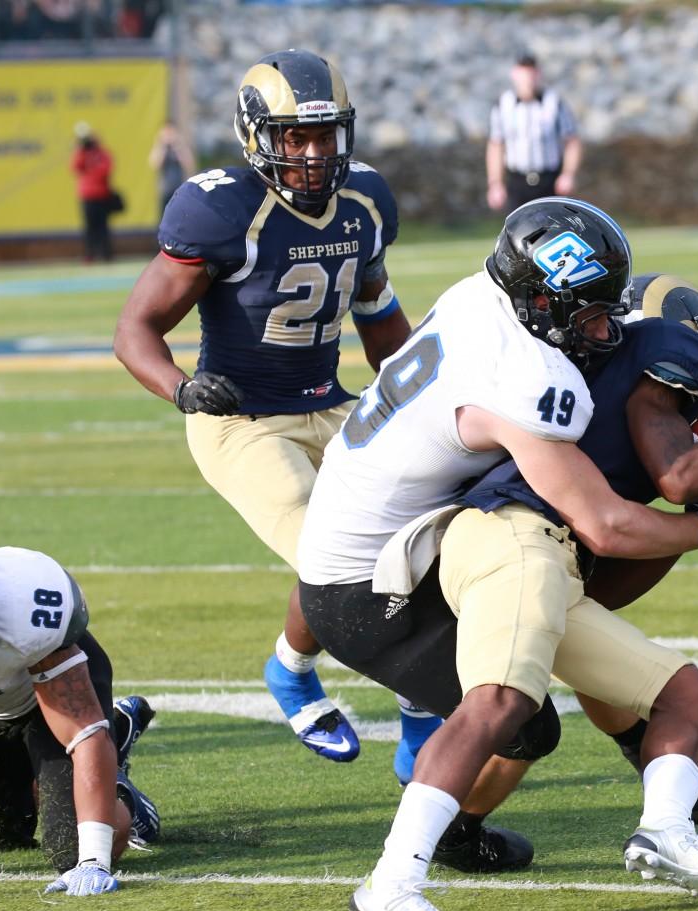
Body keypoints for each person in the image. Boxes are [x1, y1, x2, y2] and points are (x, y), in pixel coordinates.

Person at [297, 197, 698, 911]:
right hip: (433, 559)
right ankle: (392, 882)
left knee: (686, 698)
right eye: (591, 314)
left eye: (613, 316)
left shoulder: (480, 297)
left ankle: (666, 831)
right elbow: (605, 521)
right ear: (538, 300)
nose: (604, 332)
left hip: (407, 541)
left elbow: (597, 556)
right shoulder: (536, 377)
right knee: (503, 706)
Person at [113, 48, 440, 772]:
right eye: (297, 136)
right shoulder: (221, 209)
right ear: (259, 135)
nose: (315, 153)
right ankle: (395, 707)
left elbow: (380, 318)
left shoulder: (365, 201)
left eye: (326, 135)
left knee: (425, 536)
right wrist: (180, 388)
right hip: (241, 419)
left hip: (332, 405)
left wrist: (429, 405)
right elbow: (134, 330)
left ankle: (296, 667)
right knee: (346, 562)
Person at [398, 274, 698, 854]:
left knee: (676, 694)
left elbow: (605, 582)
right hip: (498, 544)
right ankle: (401, 867)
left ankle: (667, 804)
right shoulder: (604, 378)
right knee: (511, 714)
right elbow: (654, 496)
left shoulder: (573, 386)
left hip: (513, 545)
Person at [0, 546, 160, 895]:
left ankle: (122, 794)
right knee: (1, 836)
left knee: (73, 847)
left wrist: (94, 860)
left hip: (50, 704)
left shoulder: (25, 605)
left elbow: (84, 731)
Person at [486, 52, 582, 214]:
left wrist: (568, 174)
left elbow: (571, 141)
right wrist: (495, 183)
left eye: (531, 75)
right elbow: (496, 145)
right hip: (517, 179)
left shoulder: (554, 103)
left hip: (549, 178)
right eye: (523, 75)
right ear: (514, 75)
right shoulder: (503, 104)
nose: (527, 81)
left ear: (538, 75)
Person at [70, 122, 115, 262]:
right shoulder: (82, 153)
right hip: (87, 196)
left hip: (101, 194)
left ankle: (106, 254)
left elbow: (107, 169)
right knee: (89, 227)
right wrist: (80, 148)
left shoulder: (101, 153)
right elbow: (75, 167)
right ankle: (90, 254)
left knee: (103, 227)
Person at [148, 122, 197, 218]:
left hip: (179, 189)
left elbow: (189, 164)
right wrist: (161, 145)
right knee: (164, 218)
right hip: (164, 191)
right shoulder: (160, 147)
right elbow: (155, 164)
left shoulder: (181, 146)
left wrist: (178, 145)